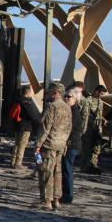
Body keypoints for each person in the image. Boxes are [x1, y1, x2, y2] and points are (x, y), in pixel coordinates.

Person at [34, 83, 73, 211]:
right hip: (61, 145)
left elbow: (45, 128)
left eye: (50, 92)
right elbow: (69, 128)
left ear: (55, 92)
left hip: (48, 145)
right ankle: (56, 199)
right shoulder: (67, 108)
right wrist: (64, 141)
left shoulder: (51, 107)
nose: (48, 94)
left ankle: (47, 201)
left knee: (46, 172)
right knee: (58, 172)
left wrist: (38, 145)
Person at [60, 87, 86, 203]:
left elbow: (68, 129)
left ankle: (68, 195)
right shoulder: (69, 110)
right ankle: (65, 193)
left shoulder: (74, 112)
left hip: (72, 145)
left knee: (67, 169)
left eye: (68, 97)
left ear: (75, 99)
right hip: (70, 144)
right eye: (65, 96)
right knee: (65, 169)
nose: (66, 98)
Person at [8, 85, 42, 169]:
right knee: (22, 145)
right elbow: (32, 115)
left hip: (18, 125)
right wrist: (38, 120)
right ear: (28, 92)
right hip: (26, 126)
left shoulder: (18, 100)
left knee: (17, 144)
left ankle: (13, 161)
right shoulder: (27, 102)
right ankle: (18, 163)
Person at [80, 85, 108, 173]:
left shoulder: (100, 102)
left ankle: (93, 164)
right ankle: (84, 166)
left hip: (97, 128)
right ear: (96, 92)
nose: (101, 96)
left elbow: (99, 115)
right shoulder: (88, 100)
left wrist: (104, 120)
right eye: (101, 94)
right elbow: (84, 114)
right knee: (86, 148)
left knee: (97, 148)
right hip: (88, 128)